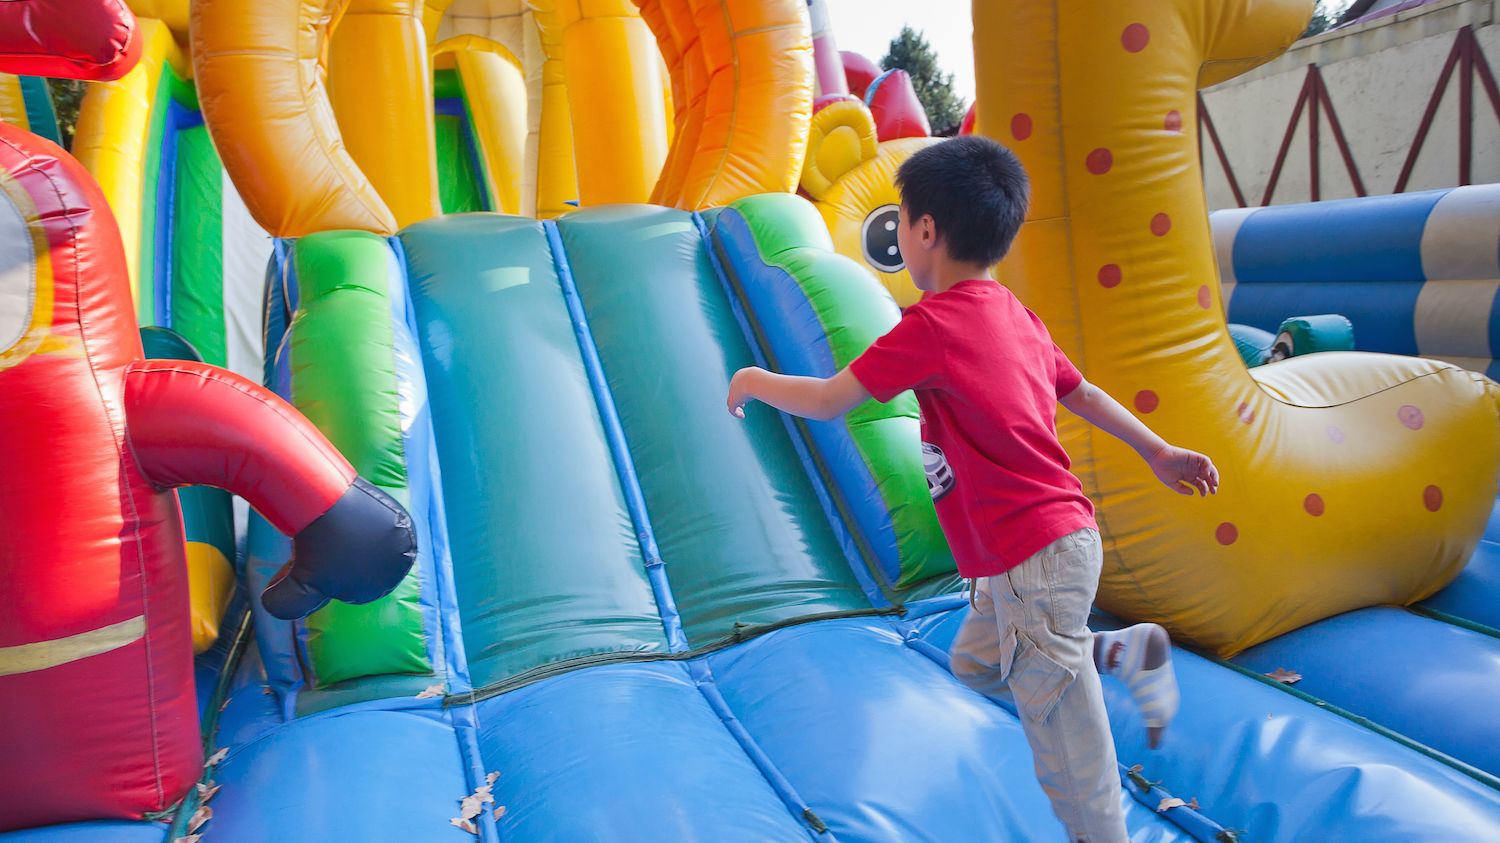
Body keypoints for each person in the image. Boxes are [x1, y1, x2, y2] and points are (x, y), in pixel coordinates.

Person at [724, 136, 1219, 842]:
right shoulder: (1014, 312)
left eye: (899, 221)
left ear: (926, 230)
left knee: (1071, 761)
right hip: (1045, 552)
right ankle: (1098, 651)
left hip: (1034, 560)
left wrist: (753, 381)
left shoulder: (931, 326)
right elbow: (1082, 393)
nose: (898, 235)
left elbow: (833, 398)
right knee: (976, 662)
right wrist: (1158, 449)